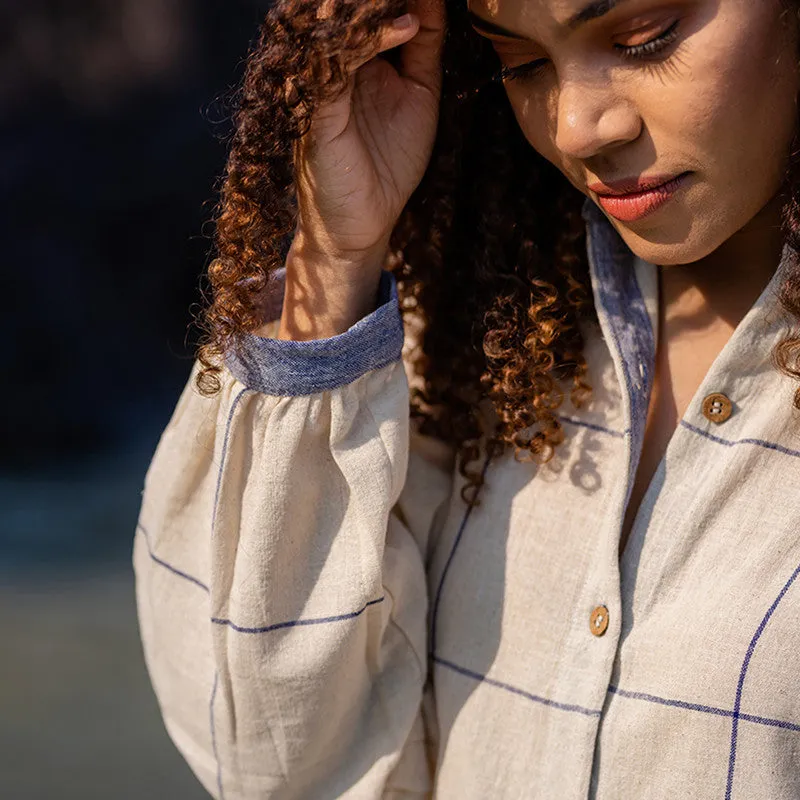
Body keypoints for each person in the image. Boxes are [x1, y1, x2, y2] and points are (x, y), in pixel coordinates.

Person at [133, 0, 800, 796]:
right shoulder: (476, 338)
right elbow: (271, 762)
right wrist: (337, 259)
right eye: (521, 62)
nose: (580, 125)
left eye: (642, 35)